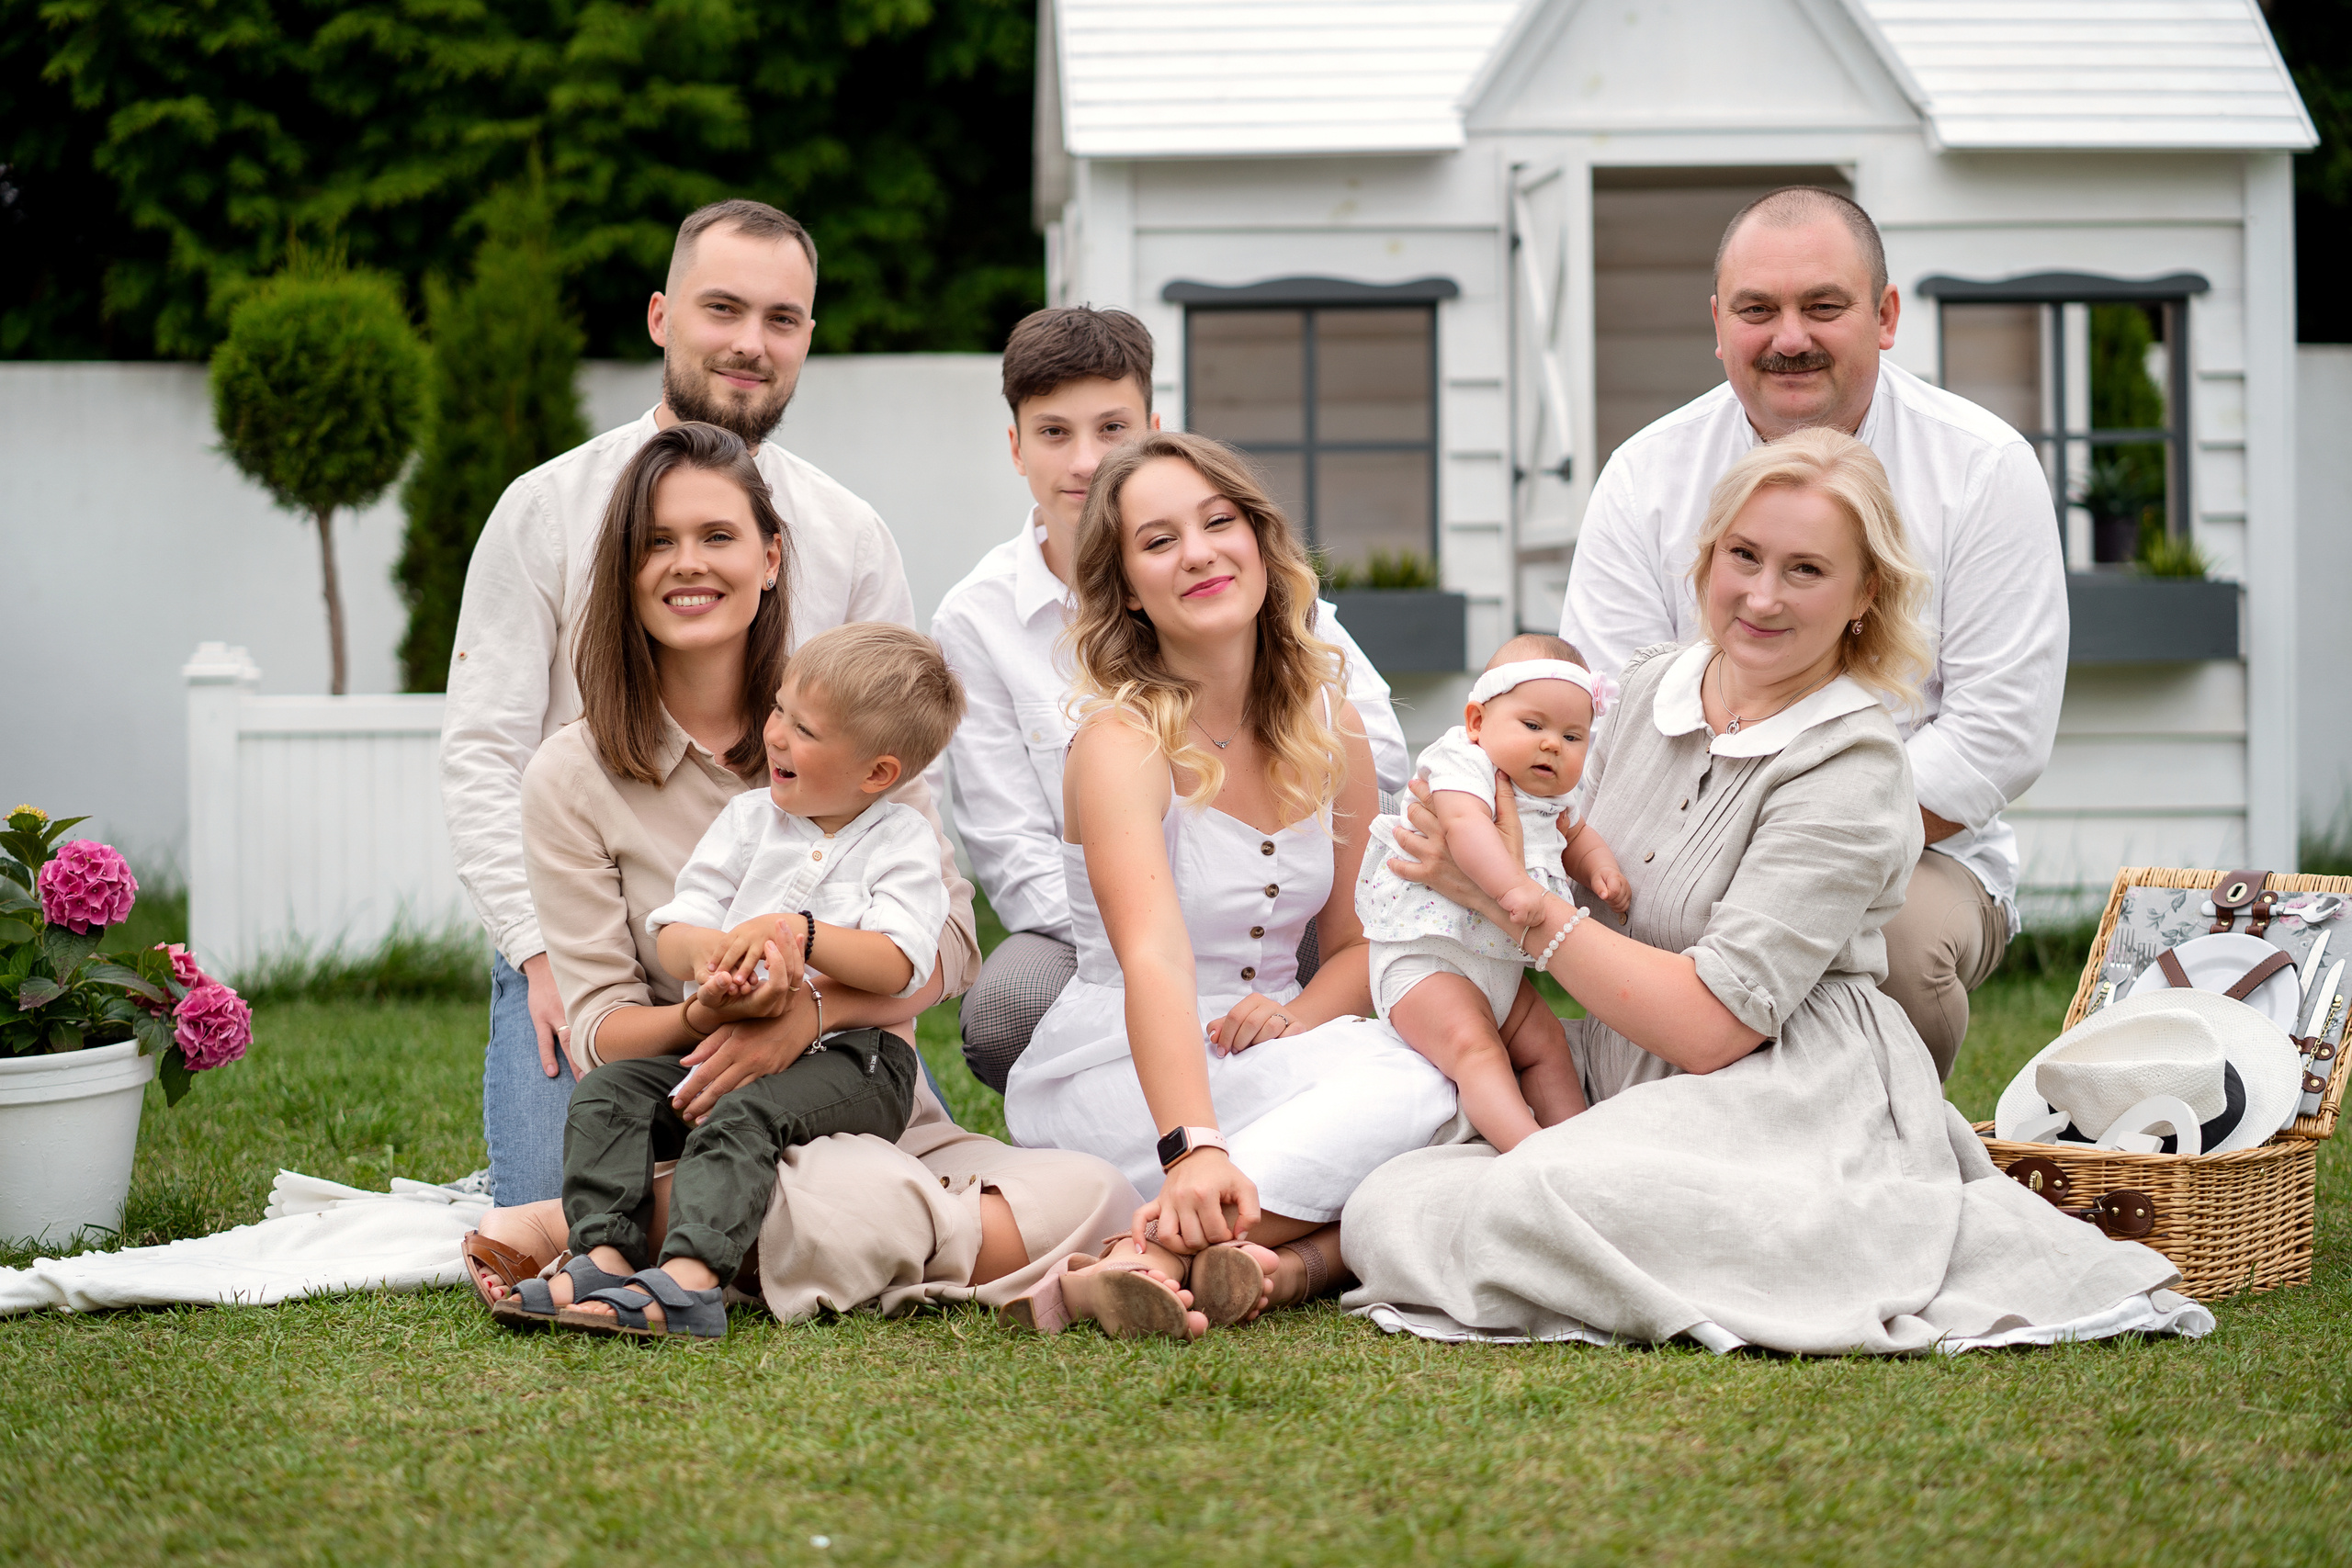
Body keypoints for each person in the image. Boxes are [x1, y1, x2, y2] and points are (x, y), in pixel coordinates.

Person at [1344, 429, 2207, 1355]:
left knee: (1528, 1197)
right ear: (1706, 556)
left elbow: (1714, 1025)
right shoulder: (1637, 693)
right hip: (1622, 1068)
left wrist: (1513, 904)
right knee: (1388, 1197)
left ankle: (1684, 1234)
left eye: (1804, 570)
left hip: (1788, 1089)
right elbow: (1539, 831)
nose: (1760, 595)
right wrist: (1466, 832)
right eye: (1742, 557)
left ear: (1863, 594)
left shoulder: (1853, 761)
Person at [462, 421, 1151, 1334]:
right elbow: (603, 1034)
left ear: (770, 555)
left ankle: (600, 1233)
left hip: (848, 1089)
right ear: (621, 569)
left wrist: (809, 1010)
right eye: (656, 542)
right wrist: (708, 1014)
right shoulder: (571, 775)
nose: (687, 565)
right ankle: (783, 1241)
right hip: (689, 1086)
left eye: (717, 537)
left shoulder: (847, 725)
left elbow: (947, 949)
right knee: (844, 1190)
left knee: (1088, 1188)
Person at [440, 197, 979, 1206]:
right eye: (721, 309)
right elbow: (482, 753)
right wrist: (540, 957)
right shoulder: (547, 508)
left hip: (793, 967)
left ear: (808, 339)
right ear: (660, 317)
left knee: (895, 1196)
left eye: (782, 320)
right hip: (590, 949)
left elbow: (901, 789)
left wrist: (812, 1007)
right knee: (553, 1210)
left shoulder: (847, 534)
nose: (749, 344)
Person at [1559, 186, 2067, 1079]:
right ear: (1717, 324)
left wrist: (1797, 851)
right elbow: (1602, 709)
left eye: (1822, 306)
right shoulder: (1644, 476)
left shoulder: (1982, 469)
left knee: (1895, 957)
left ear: (1884, 316)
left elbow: (2000, 734)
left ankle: (1881, 1165)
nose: (1788, 336)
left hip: (1919, 850)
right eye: (1757, 309)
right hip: (1672, 840)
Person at [994, 430, 1474, 1340]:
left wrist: (1292, 1020)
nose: (1200, 553)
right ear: (1127, 587)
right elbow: (1153, 959)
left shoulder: (1332, 723)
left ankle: (1165, 1261)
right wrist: (1194, 1146)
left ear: (1260, 542)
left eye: (1219, 522)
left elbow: (1359, 946)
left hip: (1276, 1055)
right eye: (1159, 540)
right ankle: (1250, 1235)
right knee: (1421, 1100)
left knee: (1442, 1064)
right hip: (1127, 1070)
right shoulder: (1118, 741)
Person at [932, 306, 1409, 1093]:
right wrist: (1162, 921)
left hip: (1278, 899)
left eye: (1111, 428)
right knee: (1011, 1001)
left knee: (1393, 973)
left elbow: (1378, 764)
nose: (1085, 461)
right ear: (1016, 447)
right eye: (1054, 433)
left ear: (1151, 427)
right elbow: (1010, 849)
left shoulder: (1241, 579)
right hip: (1097, 937)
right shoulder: (977, 619)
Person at [540, 618, 966, 1339]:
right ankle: (604, 1255)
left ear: (878, 774)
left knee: (745, 1115)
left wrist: (798, 933)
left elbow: (901, 962)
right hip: (724, 1036)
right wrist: (708, 969)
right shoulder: (748, 821)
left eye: (804, 729)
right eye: (778, 710)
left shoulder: (901, 842)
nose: (774, 734)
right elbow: (678, 927)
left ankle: (692, 1280)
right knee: (609, 1092)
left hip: (858, 1060)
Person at [1355, 633, 1628, 1151]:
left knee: (1548, 1044)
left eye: (1574, 737)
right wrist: (1512, 887)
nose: (1553, 744)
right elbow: (1464, 829)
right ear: (1478, 722)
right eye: (1533, 725)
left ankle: (1578, 1145)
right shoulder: (1464, 761)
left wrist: (1601, 869)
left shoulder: (1552, 793)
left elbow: (1575, 836)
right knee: (1476, 1048)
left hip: (1493, 968)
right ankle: (1529, 1151)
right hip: (1427, 960)